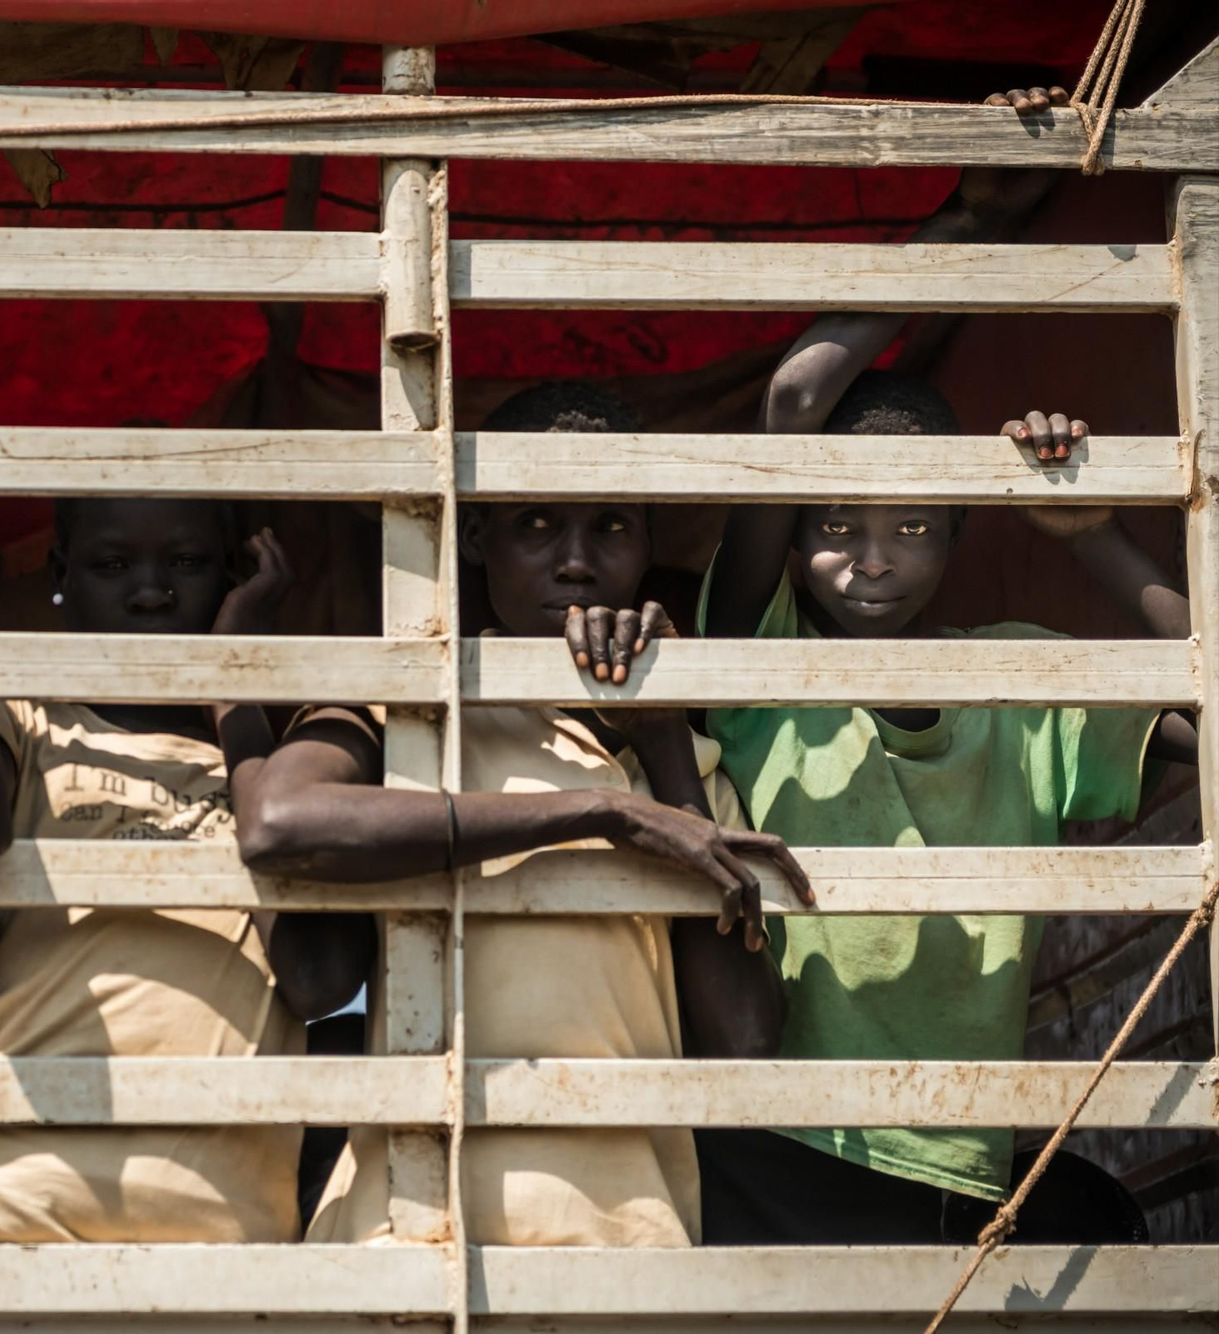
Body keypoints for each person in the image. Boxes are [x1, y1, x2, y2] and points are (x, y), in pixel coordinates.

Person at [694, 167, 1195, 1239]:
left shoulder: (1021, 680)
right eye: (836, 525)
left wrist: (1094, 534)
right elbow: (793, 400)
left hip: (964, 1159)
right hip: (784, 1149)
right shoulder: (755, 661)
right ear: (790, 531)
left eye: (913, 527)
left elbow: (1201, 715)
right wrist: (974, 220)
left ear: (963, 531)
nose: (870, 560)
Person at [0, 396, 375, 1243]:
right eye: (111, 563)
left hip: (220, 1244)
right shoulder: (26, 722)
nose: (151, 591)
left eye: (187, 561)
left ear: (238, 573)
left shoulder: (283, 767)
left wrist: (232, 687)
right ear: (60, 573)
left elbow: (318, 981)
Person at [233, 382, 814, 1248]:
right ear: (477, 538)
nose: (576, 561)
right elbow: (279, 820)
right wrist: (599, 814)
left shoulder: (686, 772)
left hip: (626, 1245)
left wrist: (662, 745)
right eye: (537, 523)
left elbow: (745, 1039)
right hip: (406, 1230)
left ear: (648, 543)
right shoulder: (413, 714)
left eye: (611, 526)